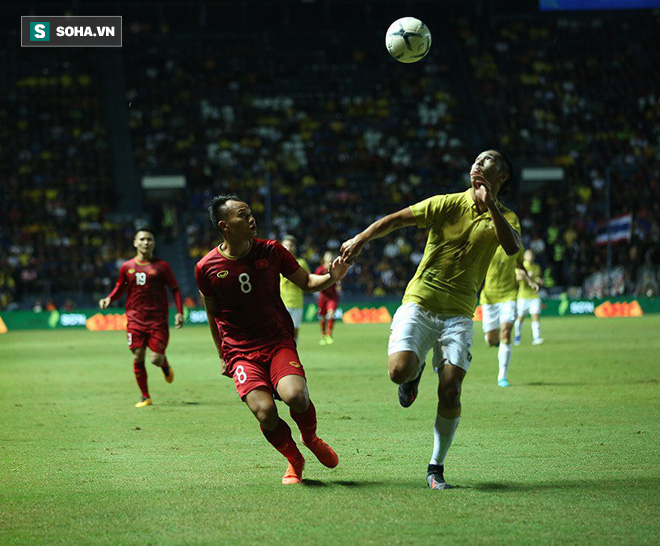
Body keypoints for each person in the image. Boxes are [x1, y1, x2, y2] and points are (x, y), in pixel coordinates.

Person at [341, 150, 521, 490]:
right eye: (476, 160)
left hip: (459, 314)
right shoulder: (447, 203)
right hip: (420, 301)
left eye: (488, 162)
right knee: (398, 372)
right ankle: (414, 373)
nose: (478, 165)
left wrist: (492, 206)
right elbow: (395, 220)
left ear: (503, 177)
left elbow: (512, 248)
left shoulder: (507, 217)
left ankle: (435, 467)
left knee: (451, 390)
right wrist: (361, 239)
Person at [195, 195, 348, 485]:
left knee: (296, 396)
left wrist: (332, 275)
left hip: (277, 341)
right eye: (244, 215)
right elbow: (212, 314)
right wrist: (222, 355)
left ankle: (310, 438)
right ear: (224, 225)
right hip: (240, 351)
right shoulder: (206, 267)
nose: (252, 219)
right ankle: (294, 460)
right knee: (265, 412)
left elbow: (307, 283)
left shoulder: (272, 251)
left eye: (251, 213)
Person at [99, 227, 184, 408]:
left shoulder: (162, 266)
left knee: (155, 359)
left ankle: (164, 364)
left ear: (153, 243)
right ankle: (145, 397)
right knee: (138, 357)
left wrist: (179, 312)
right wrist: (110, 298)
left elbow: (175, 289)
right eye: (143, 239)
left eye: (149, 239)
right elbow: (120, 287)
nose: (146, 242)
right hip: (135, 319)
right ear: (135, 243)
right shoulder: (127, 267)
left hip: (158, 320)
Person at [480, 246, 536, 387]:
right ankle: (494, 339)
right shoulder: (487, 241)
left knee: (506, 332)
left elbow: (520, 265)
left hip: (509, 296)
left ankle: (502, 377)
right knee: (491, 340)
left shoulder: (515, 244)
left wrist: (530, 281)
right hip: (489, 298)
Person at [279, 235, 310, 341]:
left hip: (297, 303)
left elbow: (308, 280)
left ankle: (293, 354)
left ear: (295, 247)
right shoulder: (276, 263)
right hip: (281, 304)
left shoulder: (301, 263)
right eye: (286, 245)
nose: (289, 248)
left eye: (291, 245)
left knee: (295, 333)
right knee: (282, 332)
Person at [514, 249, 545, 345]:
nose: (530, 257)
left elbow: (538, 278)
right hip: (523, 296)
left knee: (535, 316)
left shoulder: (536, 267)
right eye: (528, 255)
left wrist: (539, 280)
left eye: (531, 255)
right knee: (520, 317)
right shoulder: (521, 267)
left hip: (534, 295)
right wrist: (526, 276)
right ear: (524, 257)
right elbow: (517, 278)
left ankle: (536, 338)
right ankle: (517, 336)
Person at [315, 250, 341, 345]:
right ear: (324, 258)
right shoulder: (320, 269)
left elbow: (338, 280)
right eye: (327, 255)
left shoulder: (335, 269)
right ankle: (323, 335)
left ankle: (329, 335)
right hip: (323, 296)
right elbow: (315, 280)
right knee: (322, 317)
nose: (329, 257)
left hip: (332, 296)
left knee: (331, 314)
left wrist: (338, 285)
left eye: (331, 256)